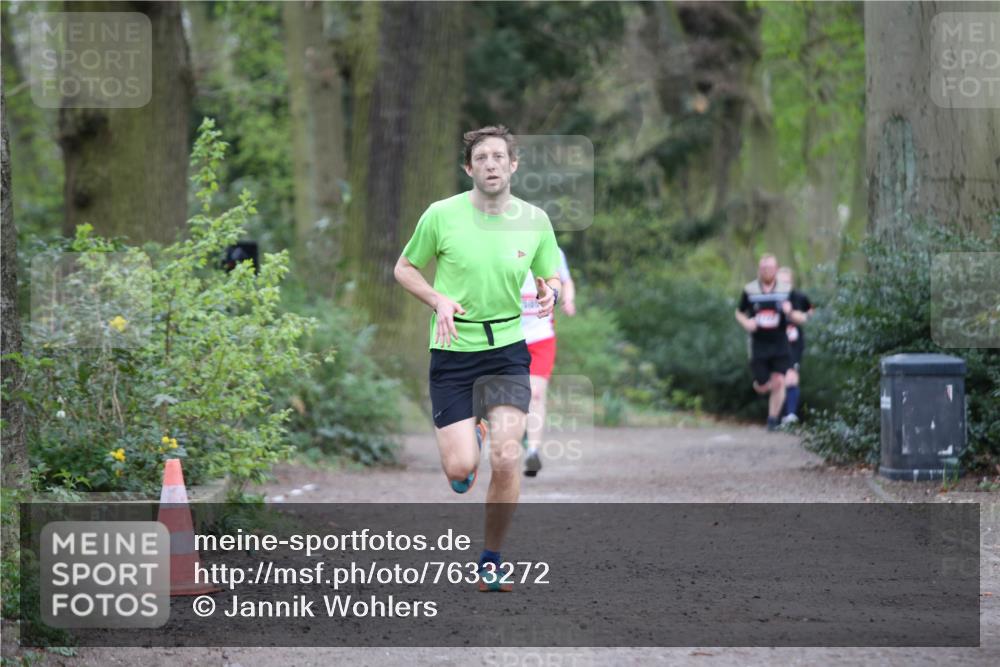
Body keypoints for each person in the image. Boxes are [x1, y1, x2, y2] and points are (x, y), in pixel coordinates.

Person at [393, 125, 561, 591]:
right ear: (468, 168)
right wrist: (437, 299)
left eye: (498, 156)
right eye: (481, 158)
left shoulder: (534, 220)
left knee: (507, 458)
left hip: (507, 350)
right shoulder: (441, 216)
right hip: (453, 350)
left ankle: (491, 560)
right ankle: (475, 432)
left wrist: (550, 291)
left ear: (513, 165)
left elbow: (550, 275)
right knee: (460, 470)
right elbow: (404, 268)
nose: (491, 164)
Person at [520, 247, 575, 477]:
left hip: (541, 337)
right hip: (509, 336)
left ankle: (532, 452)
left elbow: (566, 281)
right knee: (510, 395)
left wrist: (568, 299)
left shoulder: (553, 251)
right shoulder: (503, 244)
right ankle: (519, 430)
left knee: (535, 394)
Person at [734, 254, 805, 431]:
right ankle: (762, 385)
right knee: (763, 385)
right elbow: (739, 312)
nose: (767, 271)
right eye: (764, 268)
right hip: (759, 343)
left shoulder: (786, 290)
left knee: (779, 380)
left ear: (776, 269)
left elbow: (801, 317)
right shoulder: (750, 290)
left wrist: (790, 312)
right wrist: (746, 322)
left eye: (770, 268)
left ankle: (772, 420)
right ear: (759, 270)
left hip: (780, 342)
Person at [776, 266, 814, 425]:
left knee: (791, 377)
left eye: (787, 282)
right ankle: (777, 416)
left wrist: (791, 313)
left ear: (792, 282)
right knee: (778, 379)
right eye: (780, 282)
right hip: (774, 343)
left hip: (793, 343)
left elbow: (809, 314)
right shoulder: (770, 298)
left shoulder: (799, 297)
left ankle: (790, 415)